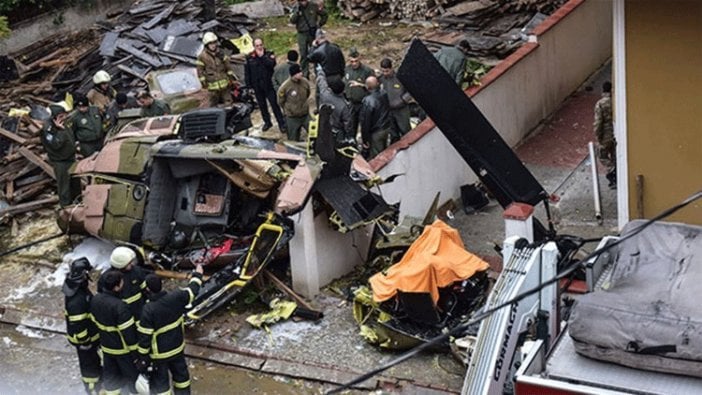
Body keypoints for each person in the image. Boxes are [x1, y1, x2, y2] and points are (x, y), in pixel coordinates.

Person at [136, 266, 203, 395]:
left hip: (159, 356)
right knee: (182, 379)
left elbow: (145, 337)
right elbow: (193, 290)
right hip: (177, 349)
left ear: (147, 289)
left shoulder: (148, 310)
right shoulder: (176, 297)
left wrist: (142, 358)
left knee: (161, 386)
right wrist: (198, 274)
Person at [90, 270, 139, 395]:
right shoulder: (120, 307)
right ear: (116, 287)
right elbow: (129, 334)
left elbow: (95, 321)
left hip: (107, 348)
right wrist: (136, 354)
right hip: (123, 351)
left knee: (112, 381)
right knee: (133, 381)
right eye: (122, 283)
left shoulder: (95, 300)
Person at [63, 257, 102, 394]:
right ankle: (92, 389)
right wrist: (85, 342)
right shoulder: (77, 300)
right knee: (90, 368)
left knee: (94, 363)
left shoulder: (77, 289)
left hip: (90, 338)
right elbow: (78, 324)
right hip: (85, 342)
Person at [41, 103, 79, 207]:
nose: (64, 118)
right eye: (60, 116)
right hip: (61, 162)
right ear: (54, 118)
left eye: (64, 115)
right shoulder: (48, 129)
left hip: (71, 158)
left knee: (76, 185)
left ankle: (78, 204)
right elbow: (56, 144)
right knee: (64, 188)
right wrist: (60, 131)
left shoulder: (65, 124)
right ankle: (66, 208)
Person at [245, 37, 286, 132]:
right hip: (257, 86)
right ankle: (267, 122)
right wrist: (249, 86)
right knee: (262, 106)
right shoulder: (250, 57)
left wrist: (262, 56)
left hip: (269, 85)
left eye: (260, 45)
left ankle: (281, 123)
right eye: (257, 46)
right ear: (254, 46)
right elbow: (248, 73)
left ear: (263, 45)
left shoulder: (269, 54)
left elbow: (271, 64)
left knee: (274, 105)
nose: (259, 47)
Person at [196, 32, 237, 107]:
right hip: (212, 89)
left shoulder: (221, 54)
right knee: (213, 107)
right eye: (211, 43)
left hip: (225, 87)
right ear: (207, 45)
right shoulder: (202, 56)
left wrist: (231, 79)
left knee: (229, 105)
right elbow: (200, 71)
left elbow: (228, 67)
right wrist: (204, 84)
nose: (213, 45)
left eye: (214, 43)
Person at [290, 0, 327, 77]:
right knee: (303, 54)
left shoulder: (313, 5)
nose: (303, 2)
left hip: (312, 32)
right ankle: (305, 73)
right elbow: (292, 20)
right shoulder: (296, 7)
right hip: (302, 33)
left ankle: (318, 72)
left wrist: (320, 24)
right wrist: (297, 12)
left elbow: (324, 14)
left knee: (316, 52)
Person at [108, 246, 147, 320]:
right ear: (121, 264)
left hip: (139, 310)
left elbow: (145, 290)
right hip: (121, 314)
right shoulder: (108, 278)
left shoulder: (137, 271)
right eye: (129, 263)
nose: (132, 264)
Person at [317, 68, 354, 146]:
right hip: (337, 132)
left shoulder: (325, 94)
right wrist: (349, 136)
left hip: (323, 127)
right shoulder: (343, 105)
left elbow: (321, 82)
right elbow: (348, 123)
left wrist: (320, 71)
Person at [379, 58, 412, 142]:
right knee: (393, 134)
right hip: (389, 111)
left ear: (391, 68)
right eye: (383, 71)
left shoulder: (400, 77)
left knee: (406, 131)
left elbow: (410, 91)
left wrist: (402, 100)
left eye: (387, 71)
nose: (385, 73)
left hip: (401, 110)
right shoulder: (381, 79)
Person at [344, 47, 375, 136]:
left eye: (356, 61)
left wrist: (361, 85)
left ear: (359, 59)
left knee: (365, 126)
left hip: (363, 103)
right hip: (351, 103)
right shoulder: (347, 70)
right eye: (352, 61)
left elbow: (373, 87)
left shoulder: (367, 71)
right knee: (351, 126)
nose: (354, 63)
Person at [359, 76, 392, 159]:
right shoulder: (384, 93)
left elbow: (365, 122)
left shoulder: (368, 101)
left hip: (376, 131)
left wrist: (365, 139)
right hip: (386, 127)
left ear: (367, 86)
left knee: (377, 156)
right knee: (385, 149)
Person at [277, 63, 311, 141]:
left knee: (315, 133)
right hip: (292, 117)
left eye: (301, 72)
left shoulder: (305, 82)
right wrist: (289, 109)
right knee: (293, 139)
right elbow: (280, 101)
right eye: (298, 73)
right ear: (293, 74)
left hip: (305, 115)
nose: (301, 74)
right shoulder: (285, 87)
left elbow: (308, 93)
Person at [594, 81, 616, 188]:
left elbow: (598, 122)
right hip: (616, 132)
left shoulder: (601, 103)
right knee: (614, 155)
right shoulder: (615, 101)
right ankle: (616, 176)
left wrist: (598, 135)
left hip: (605, 134)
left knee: (602, 155)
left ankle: (612, 171)